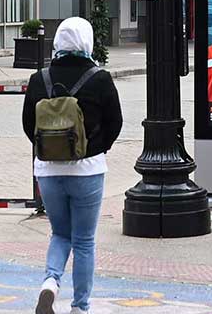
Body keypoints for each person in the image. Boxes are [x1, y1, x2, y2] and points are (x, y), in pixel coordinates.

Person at [23, 17, 123, 314]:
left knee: (59, 233)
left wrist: (47, 150)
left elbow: (29, 125)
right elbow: (115, 122)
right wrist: (95, 148)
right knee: (83, 241)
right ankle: (80, 306)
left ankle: (50, 283)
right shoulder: (100, 78)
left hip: (48, 171)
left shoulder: (39, 78)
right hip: (87, 170)